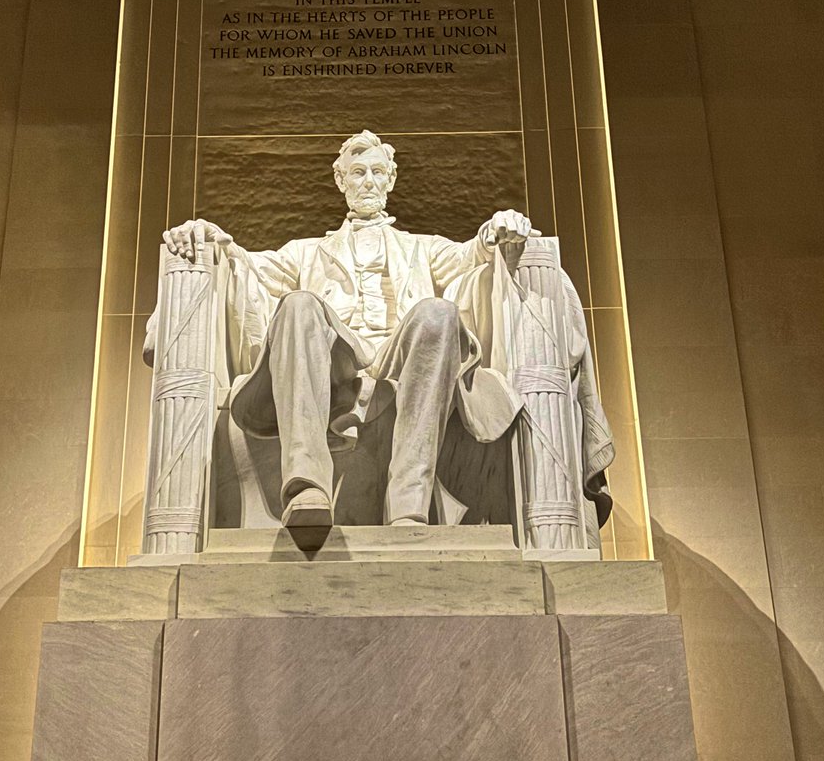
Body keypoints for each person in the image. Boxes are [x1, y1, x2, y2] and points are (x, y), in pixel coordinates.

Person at [155, 130, 540, 528]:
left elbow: (470, 255)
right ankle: (307, 489)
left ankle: (409, 502)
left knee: (439, 313)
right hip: (335, 363)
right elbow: (248, 266)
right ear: (341, 181)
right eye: (357, 173)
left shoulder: (422, 248)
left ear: (391, 180)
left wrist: (495, 230)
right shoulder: (306, 252)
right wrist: (213, 240)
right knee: (298, 303)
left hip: (402, 359)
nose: (368, 182)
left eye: (377, 172)